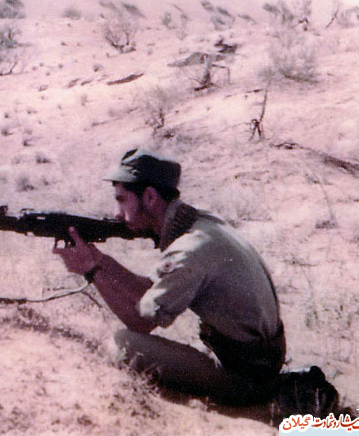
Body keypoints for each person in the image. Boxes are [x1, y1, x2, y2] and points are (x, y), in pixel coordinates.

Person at [53, 148, 286, 406]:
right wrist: (100, 261)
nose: (118, 213)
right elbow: (149, 290)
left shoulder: (189, 249)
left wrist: (91, 270)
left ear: (150, 197)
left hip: (245, 378)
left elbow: (141, 322)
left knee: (123, 344)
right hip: (258, 362)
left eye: (122, 200)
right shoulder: (201, 223)